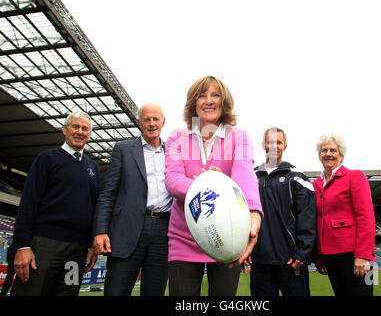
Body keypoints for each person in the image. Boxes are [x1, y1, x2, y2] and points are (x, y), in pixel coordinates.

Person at [164, 75, 263, 296]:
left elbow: (243, 172)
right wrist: (207, 186)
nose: (209, 100)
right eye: (202, 95)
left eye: (215, 95)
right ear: (193, 103)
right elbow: (172, 179)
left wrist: (254, 214)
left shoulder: (239, 137)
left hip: (228, 234)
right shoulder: (177, 137)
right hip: (183, 237)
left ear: (224, 101)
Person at [11, 111, 99, 296]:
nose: (80, 132)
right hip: (45, 245)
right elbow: (28, 203)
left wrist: (91, 245)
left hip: (77, 251)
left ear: (89, 135)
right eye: (75, 127)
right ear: (64, 130)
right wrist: (23, 246)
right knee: (32, 291)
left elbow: (94, 208)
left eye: (85, 129)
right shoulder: (47, 158)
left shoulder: (93, 168)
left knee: (68, 292)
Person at [93, 103, 173, 296]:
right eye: (147, 119)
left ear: (163, 122)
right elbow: (108, 193)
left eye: (156, 119)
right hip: (127, 228)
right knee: (116, 291)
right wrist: (100, 230)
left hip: (164, 230)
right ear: (139, 122)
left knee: (154, 291)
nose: (152, 123)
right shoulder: (123, 149)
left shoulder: (174, 153)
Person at [249, 127, 316, 296]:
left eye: (278, 142)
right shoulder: (251, 177)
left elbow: (307, 216)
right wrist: (245, 248)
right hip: (260, 261)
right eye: (270, 142)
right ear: (264, 145)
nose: (274, 146)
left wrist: (303, 252)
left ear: (285, 146)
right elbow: (242, 215)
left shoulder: (297, 178)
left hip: (291, 261)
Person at [312, 133, 375, 296]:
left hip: (356, 257)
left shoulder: (355, 177)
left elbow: (366, 217)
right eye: (324, 150)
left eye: (333, 150)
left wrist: (363, 255)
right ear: (319, 155)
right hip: (330, 257)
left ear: (341, 155)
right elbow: (314, 221)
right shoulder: (315, 184)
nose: (328, 154)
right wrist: (317, 255)